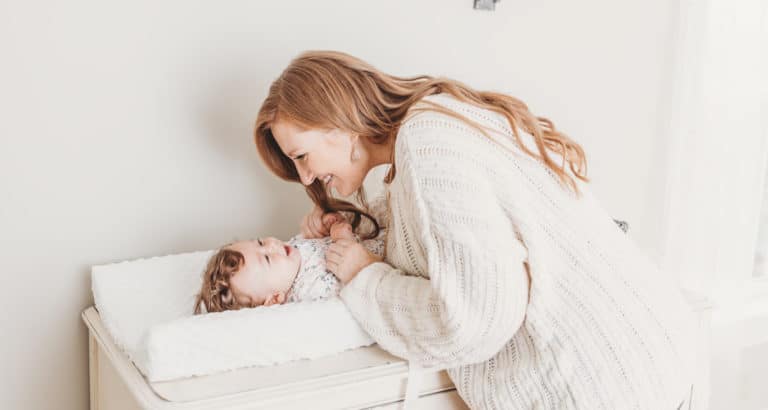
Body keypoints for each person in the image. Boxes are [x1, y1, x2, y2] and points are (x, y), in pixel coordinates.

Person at [252, 50, 702, 409]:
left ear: (338, 126)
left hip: (607, 382)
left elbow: (474, 320)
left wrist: (364, 278)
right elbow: (439, 234)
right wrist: (349, 226)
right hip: (647, 354)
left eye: (300, 157)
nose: (305, 179)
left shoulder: (427, 145)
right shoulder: (431, 130)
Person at [193, 218, 385, 313]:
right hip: (387, 263)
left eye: (260, 242)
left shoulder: (293, 249)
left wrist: (327, 223)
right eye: (267, 259)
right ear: (275, 298)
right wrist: (344, 238)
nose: (271, 245)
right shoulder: (310, 290)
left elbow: (320, 238)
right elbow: (357, 283)